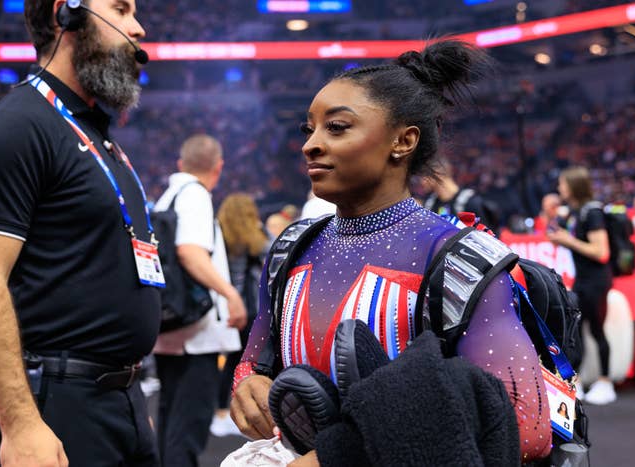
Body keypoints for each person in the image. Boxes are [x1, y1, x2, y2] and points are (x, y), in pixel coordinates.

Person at [230, 40, 551, 465]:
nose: (311, 145)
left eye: (337, 127)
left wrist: (335, 456)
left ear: (403, 141)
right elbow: (256, 362)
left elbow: (523, 424)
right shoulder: (291, 248)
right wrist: (249, 386)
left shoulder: (462, 260)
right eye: (310, 130)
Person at [0, 1, 160, 466]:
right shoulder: (15, 128)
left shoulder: (96, 135)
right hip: (51, 405)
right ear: (64, 13)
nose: (139, 27)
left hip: (117, 402)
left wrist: (126, 392)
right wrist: (20, 422)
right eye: (122, 9)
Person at [152, 135, 247, 466]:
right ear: (218, 168)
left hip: (171, 327)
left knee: (170, 422)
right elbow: (190, 252)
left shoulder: (167, 197)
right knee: (188, 427)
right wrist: (231, 293)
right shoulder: (195, 195)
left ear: (181, 164)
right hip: (197, 334)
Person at [548, 166, 616, 405]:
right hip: (583, 279)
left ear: (574, 185)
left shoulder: (592, 212)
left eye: (562, 184)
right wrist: (563, 239)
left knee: (596, 330)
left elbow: (601, 252)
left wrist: (568, 240)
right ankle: (576, 382)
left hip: (596, 281)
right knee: (576, 331)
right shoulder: (576, 212)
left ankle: (606, 381)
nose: (559, 188)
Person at [212, 193, 269, 437]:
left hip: (224, 304)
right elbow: (273, 248)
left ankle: (221, 412)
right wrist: (260, 227)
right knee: (244, 361)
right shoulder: (252, 238)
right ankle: (232, 412)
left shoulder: (221, 235)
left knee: (228, 361)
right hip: (247, 308)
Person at [417, 160, 499, 232]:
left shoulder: (470, 202)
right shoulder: (430, 205)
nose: (421, 181)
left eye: (424, 175)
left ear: (437, 174)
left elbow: (487, 237)